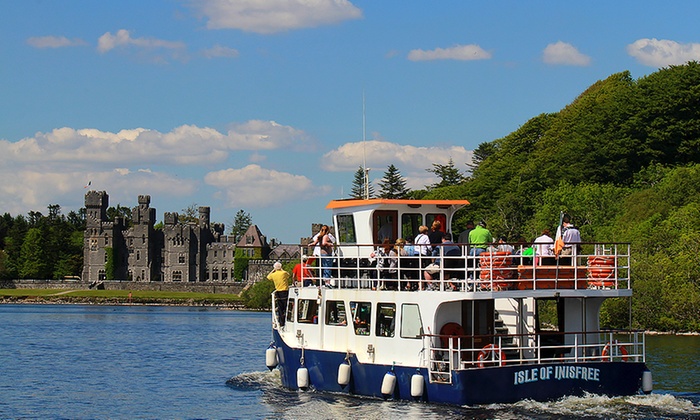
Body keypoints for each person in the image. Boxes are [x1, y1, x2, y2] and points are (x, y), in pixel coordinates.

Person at [267, 261, 290, 326]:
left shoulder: (273, 275)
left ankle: (281, 322)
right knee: (286, 307)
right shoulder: (283, 273)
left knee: (280, 308)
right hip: (285, 291)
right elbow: (288, 274)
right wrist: (281, 269)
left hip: (278, 292)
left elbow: (268, 277)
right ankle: (287, 320)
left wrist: (273, 270)